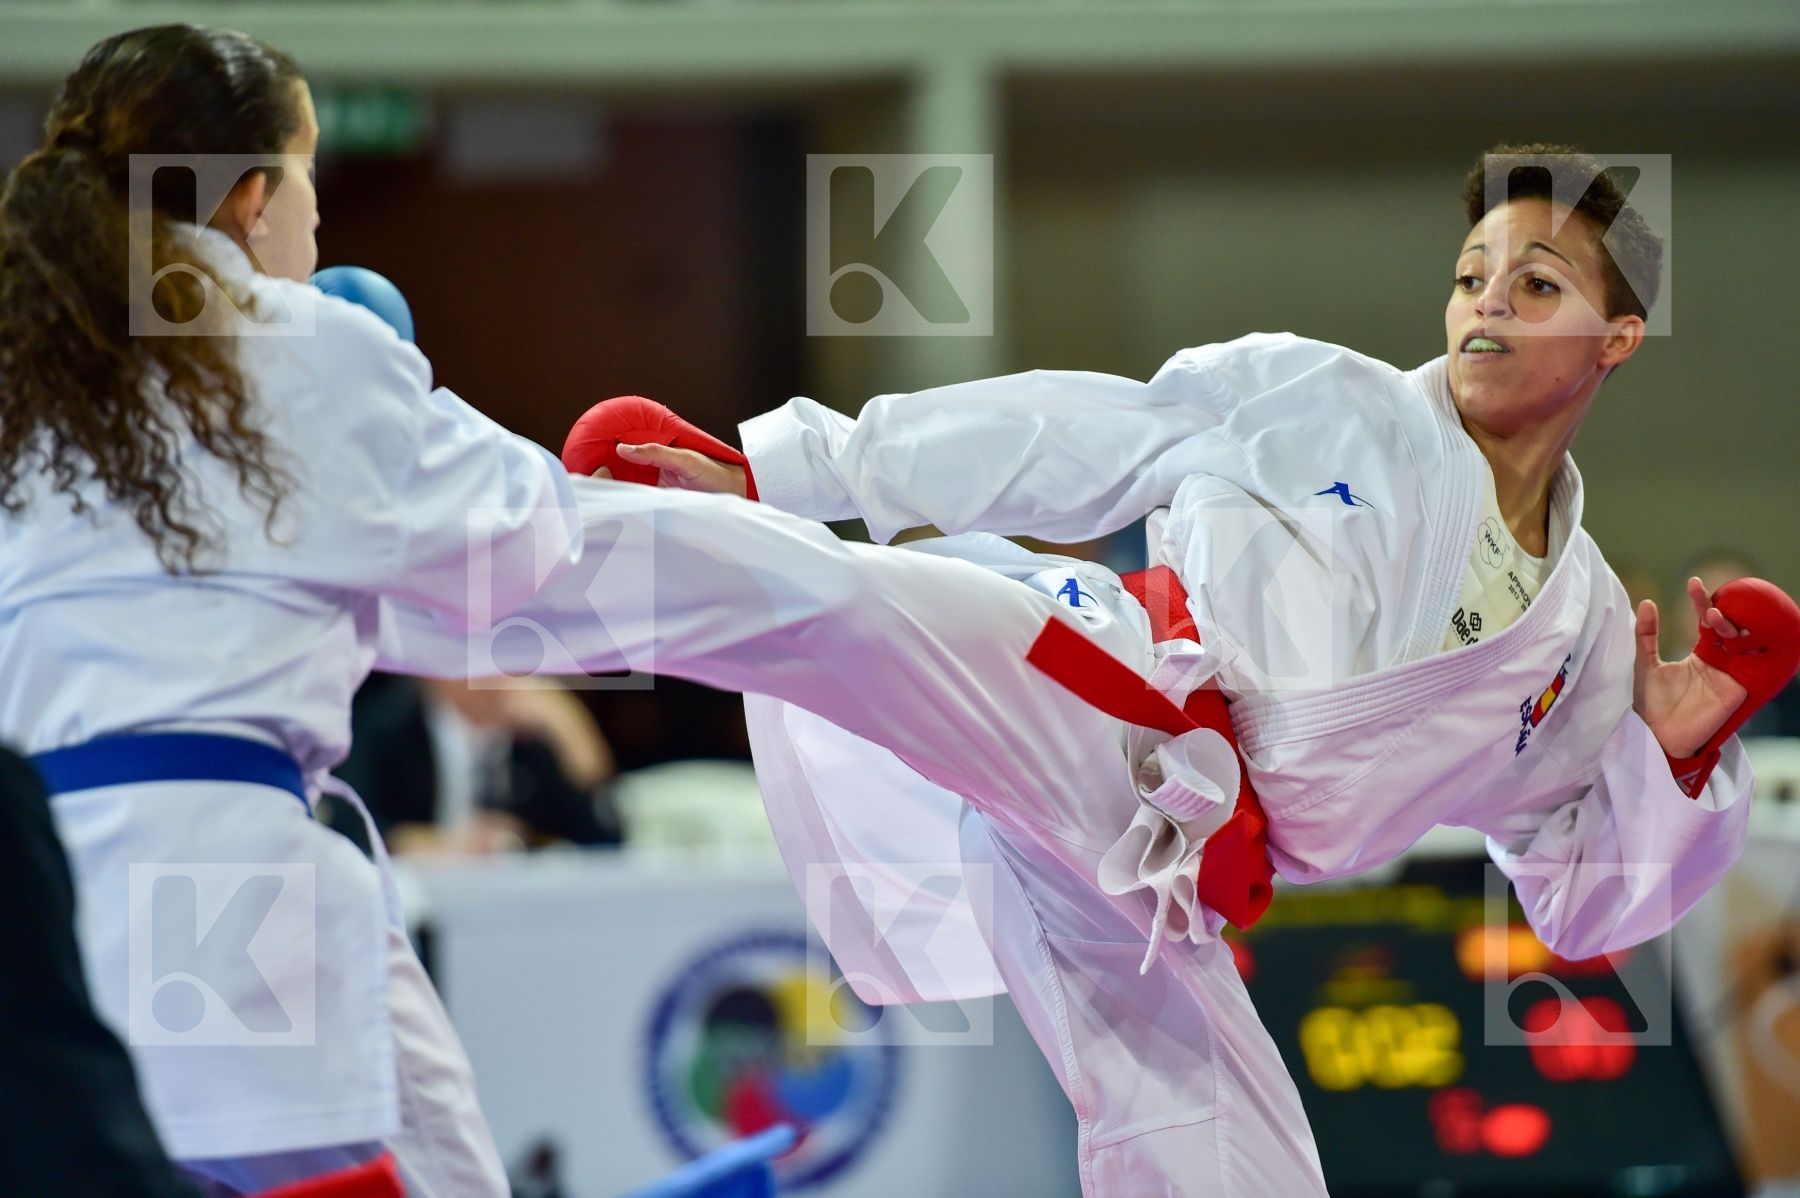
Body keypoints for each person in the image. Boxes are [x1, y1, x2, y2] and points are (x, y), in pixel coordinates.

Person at [577, 144, 1800, 1194]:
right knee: (869, 611)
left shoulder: (1582, 638)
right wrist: (789, 471)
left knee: (1230, 1164)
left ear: (1618, 337)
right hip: (1108, 691)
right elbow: (1069, 432)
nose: (1487, 303)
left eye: (1537, 286)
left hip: (1166, 886)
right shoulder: (1317, 397)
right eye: (1471, 276)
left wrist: (1674, 752)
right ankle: (610, 533)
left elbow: (1583, 906)